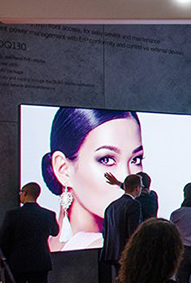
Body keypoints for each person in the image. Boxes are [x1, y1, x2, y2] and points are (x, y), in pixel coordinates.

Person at [41, 107, 143, 251]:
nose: (126, 176)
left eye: (135, 159)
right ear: (63, 169)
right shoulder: (108, 246)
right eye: (107, 159)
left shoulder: (44, 244)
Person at [101, 173, 143, 283]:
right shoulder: (134, 205)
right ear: (137, 188)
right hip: (127, 255)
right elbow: (134, 233)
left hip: (113, 253)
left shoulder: (111, 206)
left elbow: (105, 232)